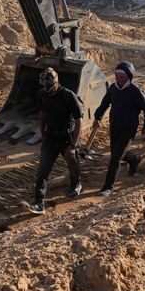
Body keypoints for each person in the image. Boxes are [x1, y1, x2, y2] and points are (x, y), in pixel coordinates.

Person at [25, 67, 84, 215]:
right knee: (42, 170)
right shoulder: (42, 95)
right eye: (45, 86)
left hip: (67, 137)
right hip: (51, 138)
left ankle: (76, 184)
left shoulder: (69, 96)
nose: (47, 89)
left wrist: (73, 145)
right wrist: (43, 132)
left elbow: (78, 121)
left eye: (49, 86)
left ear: (56, 82)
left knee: (73, 164)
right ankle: (39, 203)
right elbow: (43, 113)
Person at [92, 62, 145, 197]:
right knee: (117, 153)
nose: (119, 78)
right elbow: (104, 103)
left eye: (122, 76)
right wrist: (97, 118)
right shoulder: (113, 88)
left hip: (129, 129)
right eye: (117, 75)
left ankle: (107, 187)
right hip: (114, 126)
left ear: (129, 76)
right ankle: (134, 159)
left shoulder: (135, 91)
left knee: (115, 158)